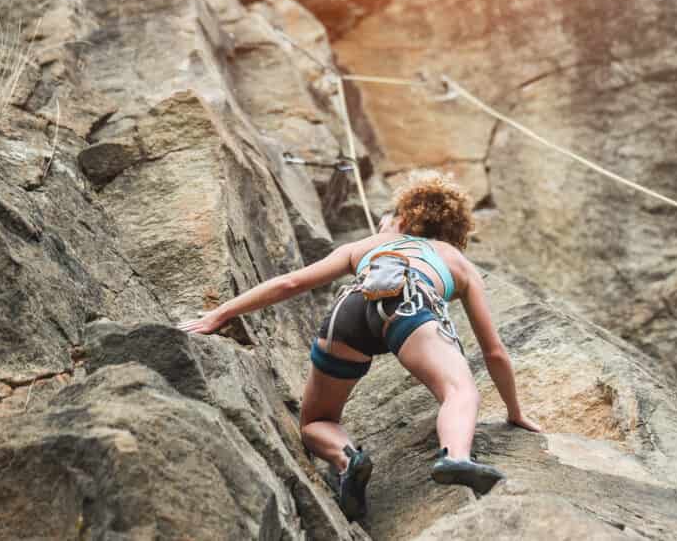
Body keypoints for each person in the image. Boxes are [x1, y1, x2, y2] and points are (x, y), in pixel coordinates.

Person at [178, 171, 540, 521]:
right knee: (459, 391)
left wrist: (219, 315)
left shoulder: (366, 246)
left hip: (348, 313)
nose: (380, 226)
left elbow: (290, 284)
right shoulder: (457, 261)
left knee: (316, 421)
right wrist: (514, 410)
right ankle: (456, 457)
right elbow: (493, 351)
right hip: (410, 307)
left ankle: (346, 458)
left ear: (403, 218)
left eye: (385, 220)